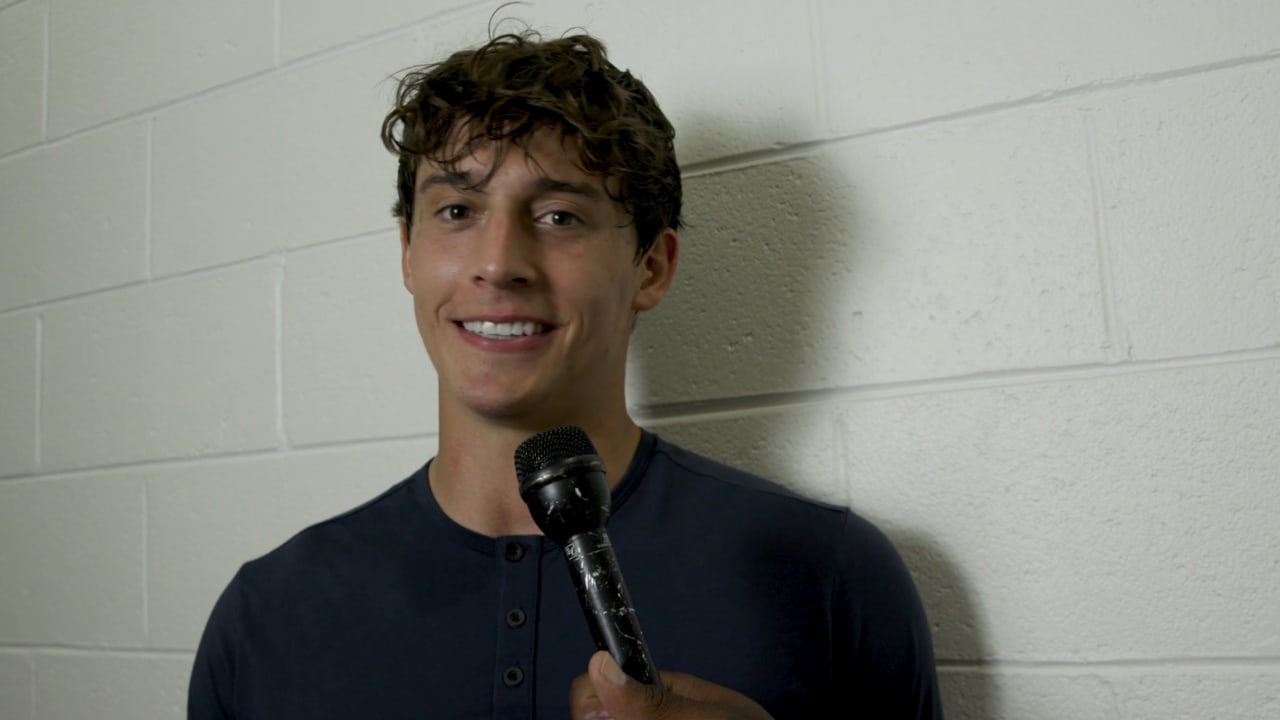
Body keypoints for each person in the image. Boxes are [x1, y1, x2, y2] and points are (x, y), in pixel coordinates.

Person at [188, 29, 942, 720]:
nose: (498, 264)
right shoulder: (267, 615)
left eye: (558, 217)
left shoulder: (831, 577)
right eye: (456, 211)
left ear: (652, 266)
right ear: (408, 252)